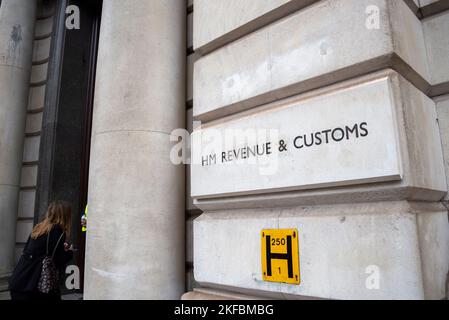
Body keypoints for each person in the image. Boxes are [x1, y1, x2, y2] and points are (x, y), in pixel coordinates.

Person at [8, 201, 74, 300]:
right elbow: (58, 260)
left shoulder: (39, 227)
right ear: (65, 215)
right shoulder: (58, 231)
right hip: (35, 286)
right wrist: (70, 252)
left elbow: (30, 250)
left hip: (19, 281)